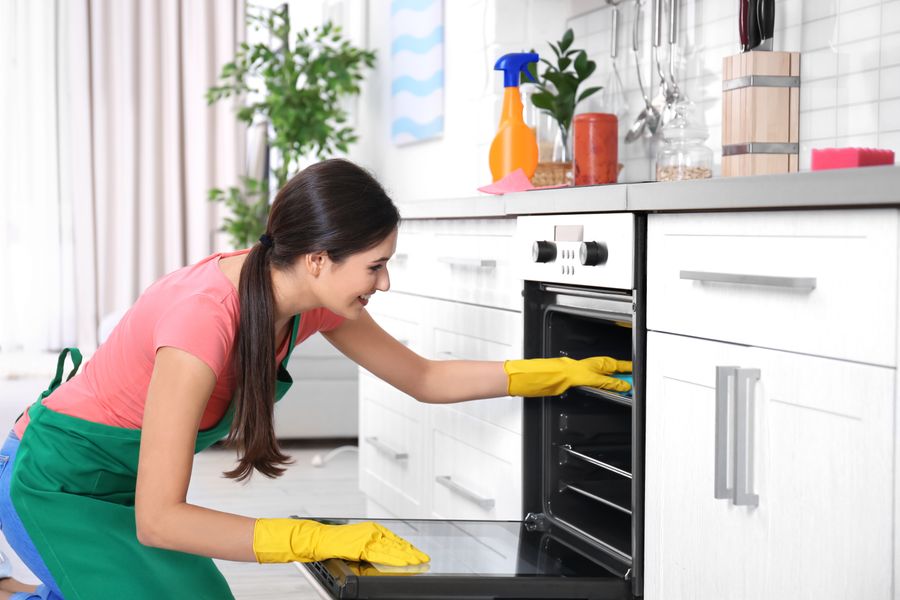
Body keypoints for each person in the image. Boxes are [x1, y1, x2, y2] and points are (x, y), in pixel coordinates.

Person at [0, 159, 631, 599]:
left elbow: (424, 377)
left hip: (128, 488)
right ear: (318, 258)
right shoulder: (201, 324)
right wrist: (312, 537)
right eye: (376, 266)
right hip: (55, 483)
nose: (384, 283)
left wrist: (552, 371)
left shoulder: (312, 298)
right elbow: (160, 520)